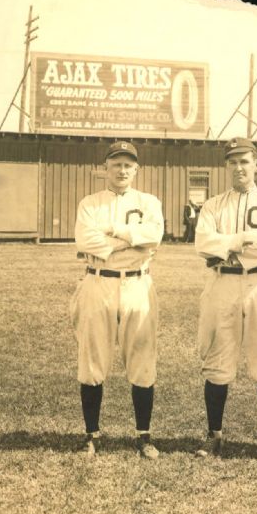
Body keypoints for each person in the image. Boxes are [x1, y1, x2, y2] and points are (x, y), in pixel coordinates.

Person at [194, 136, 257, 460]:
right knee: (217, 359)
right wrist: (242, 239)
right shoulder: (212, 205)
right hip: (222, 283)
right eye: (233, 161)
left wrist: (226, 245)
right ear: (226, 165)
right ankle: (214, 435)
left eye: (245, 161)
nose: (239, 167)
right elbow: (203, 245)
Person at [70, 141, 164, 459]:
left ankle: (144, 436)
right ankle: (90, 436)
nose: (122, 170)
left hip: (138, 283)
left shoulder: (149, 201)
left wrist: (111, 233)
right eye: (116, 164)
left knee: (142, 357)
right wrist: (130, 239)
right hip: (98, 283)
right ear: (105, 169)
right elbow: (86, 240)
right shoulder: (90, 203)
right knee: (93, 357)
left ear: (136, 169)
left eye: (128, 165)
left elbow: (153, 236)